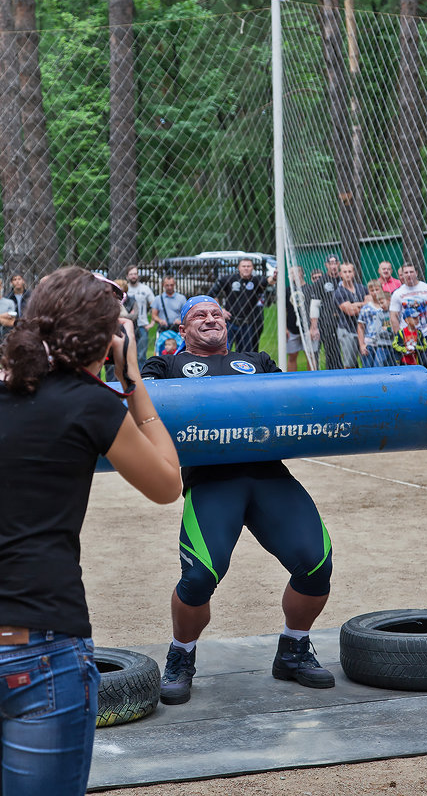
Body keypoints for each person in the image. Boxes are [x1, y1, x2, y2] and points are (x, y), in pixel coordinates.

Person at [0, 267, 181, 796]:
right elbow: (167, 484)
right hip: (39, 642)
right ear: (102, 341)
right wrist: (130, 380)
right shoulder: (90, 404)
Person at [141, 296, 335, 705]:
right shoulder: (166, 366)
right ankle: (181, 655)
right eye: (199, 315)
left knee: (316, 565)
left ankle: (294, 650)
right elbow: (141, 405)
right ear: (182, 329)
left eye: (216, 314)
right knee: (198, 578)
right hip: (212, 480)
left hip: (268, 475)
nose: (210, 319)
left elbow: (294, 405)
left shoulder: (258, 360)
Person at [207, 258, 275, 353]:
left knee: (245, 353)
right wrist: (220, 310)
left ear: (252, 268)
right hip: (229, 322)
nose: (246, 268)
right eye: (244, 266)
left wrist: (274, 277)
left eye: (248, 266)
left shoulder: (255, 280)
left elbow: (269, 281)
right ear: (239, 268)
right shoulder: (229, 279)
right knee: (223, 351)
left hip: (247, 323)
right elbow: (212, 294)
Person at [390, 264, 427, 370]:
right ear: (402, 275)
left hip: (426, 333)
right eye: (406, 272)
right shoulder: (398, 293)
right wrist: (400, 335)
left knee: (425, 366)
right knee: (407, 367)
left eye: (411, 272)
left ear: (416, 272)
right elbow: (393, 315)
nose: (409, 275)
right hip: (407, 336)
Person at [308, 258, 342, 369]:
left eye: (335, 263)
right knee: (332, 353)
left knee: (347, 354)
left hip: (345, 322)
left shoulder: (344, 279)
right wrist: (314, 327)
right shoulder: (321, 281)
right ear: (326, 265)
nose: (333, 266)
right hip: (328, 323)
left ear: (338, 264)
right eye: (330, 263)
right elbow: (315, 305)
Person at [334, 262, 368, 369]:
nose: (347, 274)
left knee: (367, 362)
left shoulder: (362, 288)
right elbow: (350, 311)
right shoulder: (339, 292)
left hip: (364, 330)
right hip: (347, 331)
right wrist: (363, 305)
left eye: (349, 271)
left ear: (353, 273)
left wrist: (355, 305)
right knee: (350, 364)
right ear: (340, 274)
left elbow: (370, 304)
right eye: (345, 272)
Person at [357, 280, 395, 367]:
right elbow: (360, 327)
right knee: (368, 369)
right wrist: (362, 344)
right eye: (372, 290)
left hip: (385, 343)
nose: (374, 292)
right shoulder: (366, 308)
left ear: (381, 289)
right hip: (370, 343)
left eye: (377, 290)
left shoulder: (387, 308)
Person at [126, 264, 155, 369]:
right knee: (128, 354)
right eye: (131, 274)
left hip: (142, 324)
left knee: (141, 355)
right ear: (127, 276)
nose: (133, 276)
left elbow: (154, 305)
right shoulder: (125, 289)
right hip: (128, 325)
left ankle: (142, 376)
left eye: (135, 274)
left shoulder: (145, 289)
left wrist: (152, 322)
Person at [151, 275, 186, 353]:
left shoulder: (181, 298)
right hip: (164, 329)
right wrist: (160, 321)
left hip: (177, 329)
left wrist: (180, 321)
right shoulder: (158, 299)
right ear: (163, 285)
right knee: (160, 350)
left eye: (171, 285)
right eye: (167, 285)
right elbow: (154, 315)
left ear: (175, 284)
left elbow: (186, 314)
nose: (169, 287)